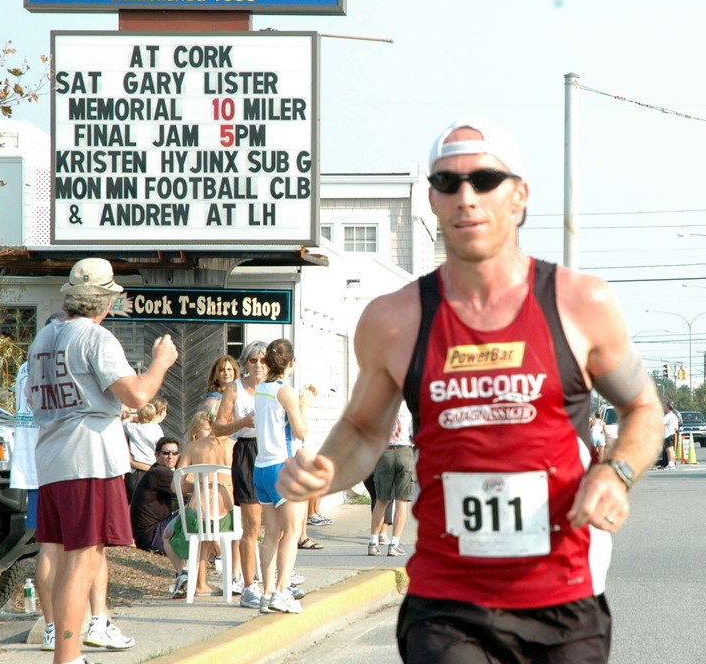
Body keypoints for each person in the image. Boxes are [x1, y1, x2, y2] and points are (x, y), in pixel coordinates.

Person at [277, 117, 663, 663]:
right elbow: (364, 429)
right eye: (446, 182)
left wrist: (617, 472)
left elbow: (644, 407)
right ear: (431, 200)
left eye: (484, 180)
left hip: (562, 599)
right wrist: (325, 469)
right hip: (446, 601)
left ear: (519, 196)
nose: (466, 197)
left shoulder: (580, 304)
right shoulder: (395, 319)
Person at [26, 257, 178, 664]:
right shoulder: (96, 338)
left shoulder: (43, 339)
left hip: (52, 456)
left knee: (59, 556)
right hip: (89, 458)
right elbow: (137, 394)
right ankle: (69, 657)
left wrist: (105, 407)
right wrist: (161, 361)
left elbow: (39, 397)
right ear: (105, 303)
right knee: (84, 560)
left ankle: (65, 647)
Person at [11, 312, 137, 653]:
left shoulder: (33, 360)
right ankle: (95, 623)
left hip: (40, 461)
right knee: (88, 553)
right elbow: (128, 395)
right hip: (80, 459)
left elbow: (38, 405)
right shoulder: (83, 346)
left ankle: (54, 629)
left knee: (51, 550)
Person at [254, 338, 316, 614]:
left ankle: (267, 593)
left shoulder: (261, 389)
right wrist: (306, 403)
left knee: (271, 535)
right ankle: (281, 591)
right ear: (291, 363)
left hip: (262, 466)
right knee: (291, 533)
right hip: (284, 465)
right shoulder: (285, 391)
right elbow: (301, 431)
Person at [213, 340, 267, 608]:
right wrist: (242, 422)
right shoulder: (235, 388)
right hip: (247, 450)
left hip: (274, 452)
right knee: (253, 524)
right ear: (245, 363)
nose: (258, 365)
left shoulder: (276, 388)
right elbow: (218, 427)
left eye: (263, 360)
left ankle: (276, 583)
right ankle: (248, 586)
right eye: (253, 360)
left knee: (279, 523)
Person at [168, 410, 238, 597]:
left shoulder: (193, 447)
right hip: (227, 518)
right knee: (241, 529)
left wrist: (199, 486)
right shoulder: (236, 447)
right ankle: (236, 578)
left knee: (202, 532)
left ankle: (200, 582)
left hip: (194, 517)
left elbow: (175, 486)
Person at [129, 436, 184, 572]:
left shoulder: (156, 471)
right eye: (166, 453)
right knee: (194, 507)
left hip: (148, 535)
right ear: (157, 455)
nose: (170, 456)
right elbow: (188, 489)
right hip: (153, 536)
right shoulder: (160, 473)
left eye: (174, 453)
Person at [367, 401, 414, 557]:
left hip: (385, 451)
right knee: (402, 501)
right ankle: (394, 543)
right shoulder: (411, 405)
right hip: (404, 450)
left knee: (381, 500)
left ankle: (373, 542)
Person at [124, 401, 165, 500]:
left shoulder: (134, 428)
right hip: (152, 465)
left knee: (134, 497)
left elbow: (123, 422)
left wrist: (132, 418)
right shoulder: (157, 428)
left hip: (137, 468)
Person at [663, 401, 680, 470]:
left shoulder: (668, 416)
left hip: (668, 434)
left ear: (668, 407)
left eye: (666, 407)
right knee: (672, 449)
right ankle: (672, 463)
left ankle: (670, 464)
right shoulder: (674, 416)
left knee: (669, 449)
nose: (665, 408)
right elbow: (676, 427)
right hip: (673, 433)